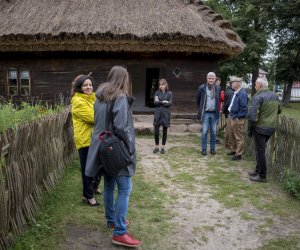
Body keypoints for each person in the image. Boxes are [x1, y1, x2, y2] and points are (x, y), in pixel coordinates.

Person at [85, 66, 141, 247]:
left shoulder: (100, 97)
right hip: (115, 149)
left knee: (109, 184)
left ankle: (112, 219)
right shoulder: (120, 97)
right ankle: (119, 232)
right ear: (124, 79)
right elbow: (122, 127)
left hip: (102, 147)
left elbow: (99, 122)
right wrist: (130, 148)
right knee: (125, 188)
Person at [71, 74, 100, 206]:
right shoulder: (78, 101)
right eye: (85, 85)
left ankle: (92, 189)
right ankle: (88, 196)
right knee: (87, 169)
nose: (88, 87)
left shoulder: (93, 98)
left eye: (90, 84)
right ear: (79, 87)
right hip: (85, 140)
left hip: (95, 138)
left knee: (97, 166)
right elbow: (94, 117)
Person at [247, 77, 281, 182]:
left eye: (256, 84)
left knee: (260, 151)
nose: (254, 86)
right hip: (271, 128)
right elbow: (279, 110)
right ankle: (258, 171)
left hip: (260, 128)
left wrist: (252, 127)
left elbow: (252, 115)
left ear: (260, 85)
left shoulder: (257, 97)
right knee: (260, 150)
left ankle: (262, 176)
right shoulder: (275, 95)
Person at [196, 72, 221, 156]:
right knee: (204, 132)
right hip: (206, 113)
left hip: (214, 113)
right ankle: (204, 149)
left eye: (212, 78)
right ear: (207, 79)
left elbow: (219, 101)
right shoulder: (202, 88)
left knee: (214, 132)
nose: (211, 80)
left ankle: (212, 149)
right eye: (209, 78)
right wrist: (201, 109)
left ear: (215, 79)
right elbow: (198, 100)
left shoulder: (218, 88)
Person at [227, 76, 248, 160]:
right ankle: (234, 150)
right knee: (231, 135)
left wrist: (239, 117)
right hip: (231, 116)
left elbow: (244, 108)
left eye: (232, 82)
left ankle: (238, 154)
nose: (231, 84)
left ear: (238, 84)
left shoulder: (242, 94)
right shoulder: (236, 92)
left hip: (237, 118)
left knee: (239, 137)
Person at [153, 79, 173, 154]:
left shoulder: (170, 93)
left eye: (163, 85)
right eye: (160, 85)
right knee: (156, 132)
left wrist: (160, 102)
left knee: (164, 132)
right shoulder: (157, 93)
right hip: (158, 114)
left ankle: (163, 147)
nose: (161, 86)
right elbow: (155, 103)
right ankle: (157, 147)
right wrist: (164, 101)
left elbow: (170, 103)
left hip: (166, 114)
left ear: (166, 85)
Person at [222, 81, 235, 149]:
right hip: (230, 113)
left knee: (227, 129)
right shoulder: (231, 92)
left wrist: (224, 111)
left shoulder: (227, 91)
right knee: (229, 130)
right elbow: (228, 103)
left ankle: (226, 143)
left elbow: (225, 102)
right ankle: (228, 144)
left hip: (227, 112)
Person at [215, 77, 224, 144]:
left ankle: (213, 138)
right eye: (219, 82)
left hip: (215, 108)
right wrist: (222, 93)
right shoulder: (218, 88)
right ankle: (214, 138)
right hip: (217, 108)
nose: (219, 83)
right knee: (215, 124)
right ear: (216, 82)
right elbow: (222, 98)